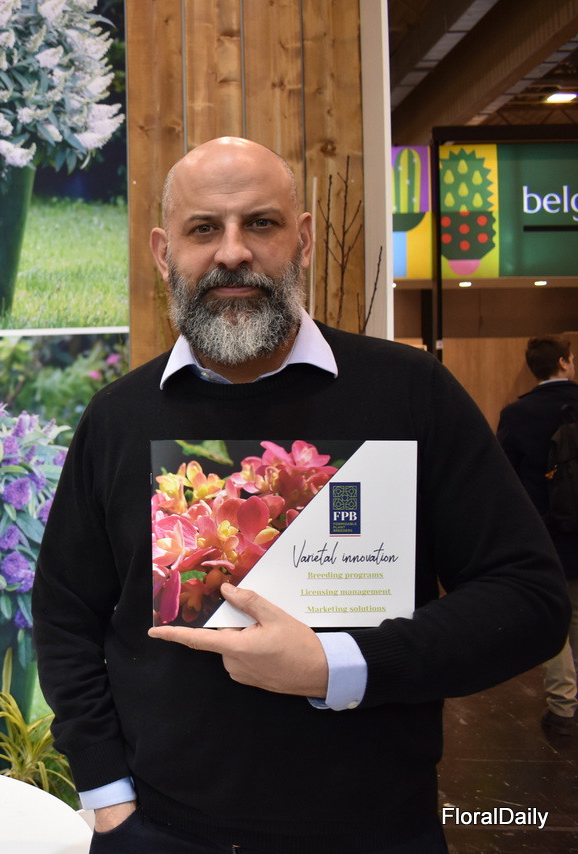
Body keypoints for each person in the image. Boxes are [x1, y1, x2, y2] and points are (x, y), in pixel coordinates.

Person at [32, 137, 569, 853]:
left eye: (261, 223)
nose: (232, 252)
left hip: (377, 833)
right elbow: (65, 614)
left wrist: (336, 666)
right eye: (203, 228)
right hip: (160, 831)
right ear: (164, 253)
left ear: (304, 239)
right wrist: (106, 795)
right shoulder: (118, 418)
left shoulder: (411, 394)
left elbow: (529, 600)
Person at [495, 335, 578, 737]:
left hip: (546, 531)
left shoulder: (518, 414)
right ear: (564, 362)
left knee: (556, 614)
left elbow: (503, 478)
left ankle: (563, 706)